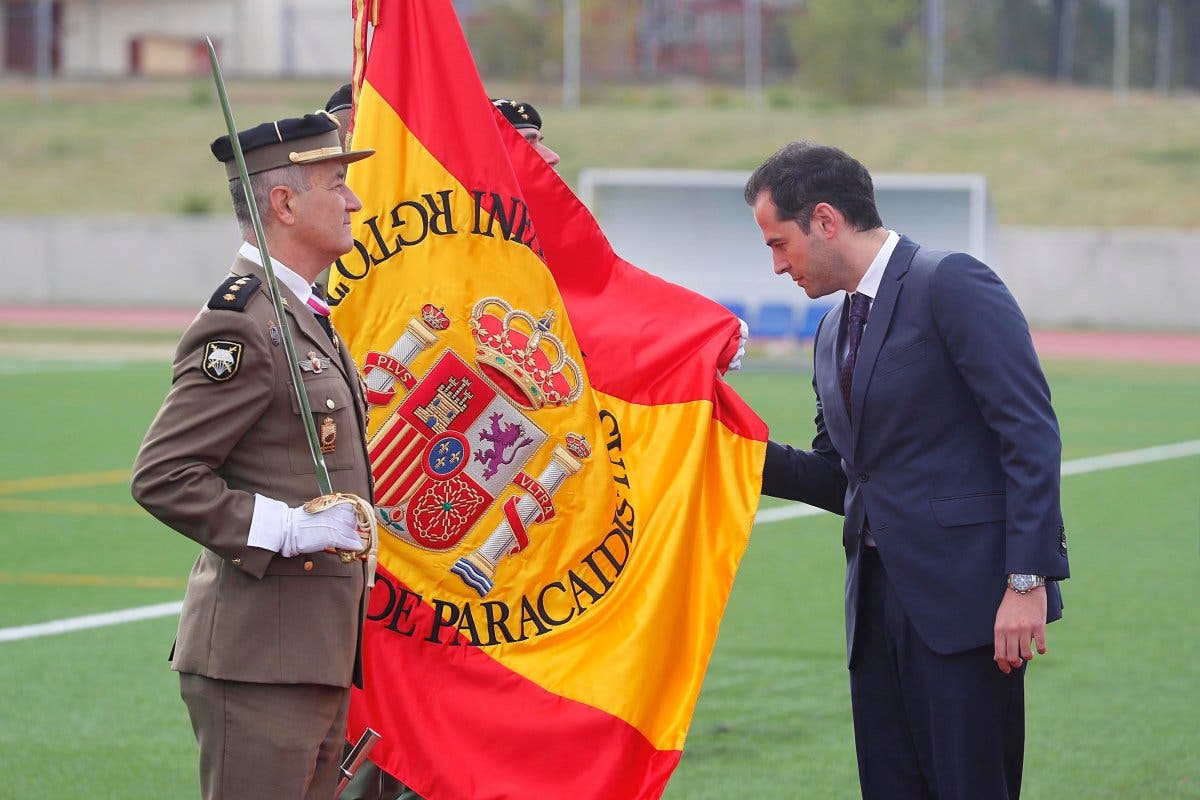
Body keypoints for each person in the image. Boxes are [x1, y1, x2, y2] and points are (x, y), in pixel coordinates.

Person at [746, 141, 1069, 800]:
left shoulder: (951, 282)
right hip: (875, 608)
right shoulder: (831, 330)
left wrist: (1027, 580)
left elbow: (1028, 433)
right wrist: (730, 448)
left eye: (781, 243)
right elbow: (844, 480)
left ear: (828, 221)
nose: (777, 266)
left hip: (968, 606)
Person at [131, 111, 377, 800]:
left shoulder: (299, 313)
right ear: (284, 202)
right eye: (337, 182)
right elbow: (163, 476)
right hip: (259, 665)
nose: (354, 200)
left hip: (312, 657)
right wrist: (290, 528)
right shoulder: (243, 322)